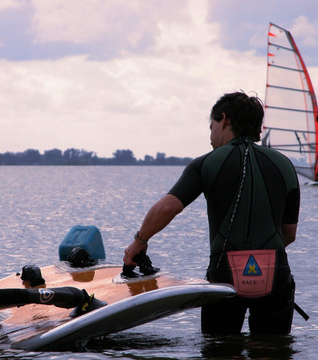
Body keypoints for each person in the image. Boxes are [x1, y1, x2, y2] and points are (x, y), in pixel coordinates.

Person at [123, 91, 300, 335]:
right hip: (275, 274)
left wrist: (139, 242)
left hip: (224, 274)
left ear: (224, 119)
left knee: (222, 352)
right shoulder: (285, 165)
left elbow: (167, 207)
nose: (210, 136)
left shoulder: (206, 163)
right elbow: (288, 234)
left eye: (212, 126)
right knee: (271, 350)